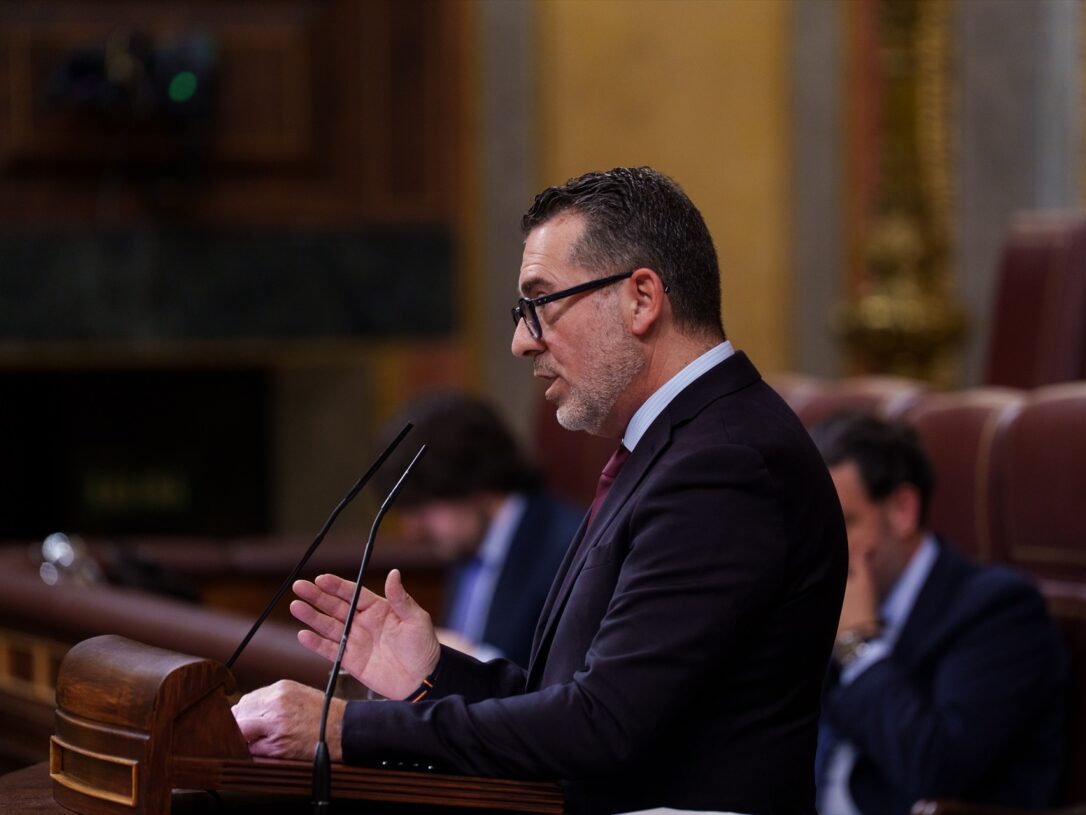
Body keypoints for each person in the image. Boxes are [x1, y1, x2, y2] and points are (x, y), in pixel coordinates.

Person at [232, 166, 848, 814]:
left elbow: (602, 726)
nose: (522, 340)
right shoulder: (678, 449)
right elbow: (578, 698)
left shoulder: (724, 464)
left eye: (540, 303)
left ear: (641, 298)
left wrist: (342, 729)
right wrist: (432, 673)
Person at [809, 411, 1068, 815]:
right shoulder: (826, 592)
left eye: (842, 523)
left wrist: (858, 644)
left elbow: (937, 772)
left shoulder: (998, 611)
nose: (820, 549)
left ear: (902, 510)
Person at [381, 390, 582, 666]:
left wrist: (460, 659)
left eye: (421, 507)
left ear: (476, 481)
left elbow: (561, 682)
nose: (412, 531)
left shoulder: (568, 548)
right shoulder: (470, 543)